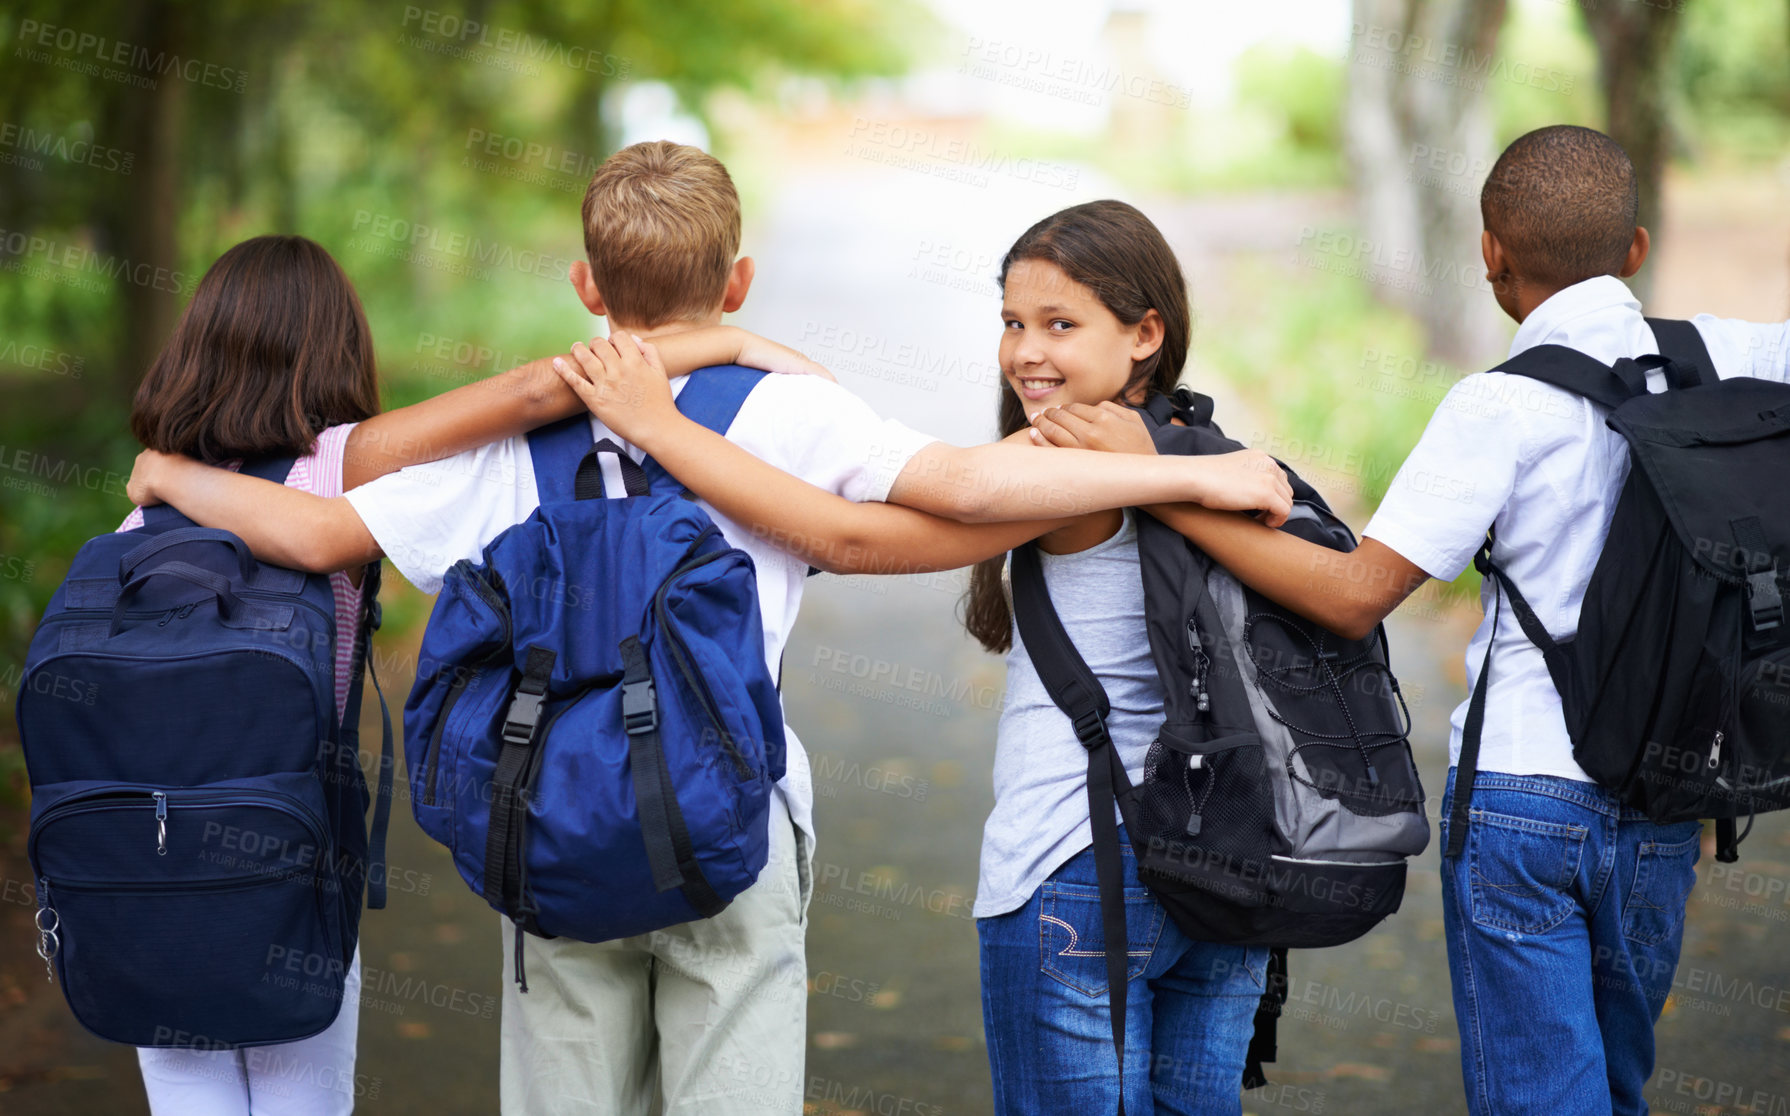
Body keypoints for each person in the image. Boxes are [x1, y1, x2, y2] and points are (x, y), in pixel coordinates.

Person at [129, 144, 1292, 1115]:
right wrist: (1186, 473)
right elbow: (963, 486)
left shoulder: (500, 449)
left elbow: (320, 529)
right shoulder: (784, 405)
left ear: (587, 283)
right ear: (735, 283)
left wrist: (167, 474)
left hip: (542, 820)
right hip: (734, 815)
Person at [1025, 125, 1790, 1115]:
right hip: (1675, 788)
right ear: (1634, 249)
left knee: (1539, 1098)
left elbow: (1353, 594)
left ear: (1488, 254)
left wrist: (1157, 483)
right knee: (1614, 1084)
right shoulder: (1732, 356)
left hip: (1524, 794)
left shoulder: (1497, 408)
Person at [551, 199, 1282, 1116]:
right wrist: (738, 351)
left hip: (1078, 863)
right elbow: (843, 444)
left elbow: (847, 532)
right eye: (1013, 323)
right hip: (1230, 860)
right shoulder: (1203, 444)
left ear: (1146, 333)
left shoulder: (1072, 461)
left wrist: (660, 425)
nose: (1025, 351)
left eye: (1060, 324)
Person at [118, 233, 639, 1115]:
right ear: (334, 350)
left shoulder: (140, 515)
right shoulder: (340, 462)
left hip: (142, 850)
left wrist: (164, 467)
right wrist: (732, 345)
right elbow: (535, 389)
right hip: (290, 849)